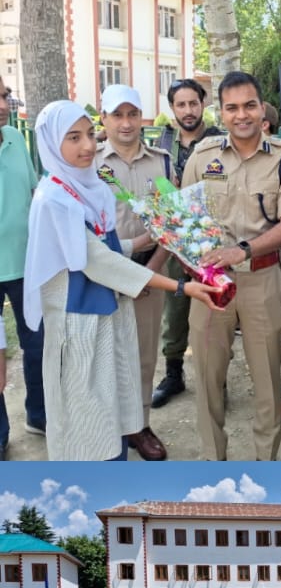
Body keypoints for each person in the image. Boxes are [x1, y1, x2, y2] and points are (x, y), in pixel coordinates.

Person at [26, 101, 222, 460]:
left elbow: (105, 245)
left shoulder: (92, 187)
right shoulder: (54, 198)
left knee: (115, 404)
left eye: (88, 135)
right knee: (88, 422)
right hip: (81, 324)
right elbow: (97, 262)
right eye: (73, 138)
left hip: (110, 315)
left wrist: (149, 239)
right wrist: (181, 286)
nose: (87, 146)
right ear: (53, 143)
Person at [179, 70, 281, 460]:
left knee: (267, 384)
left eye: (249, 105)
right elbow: (183, 217)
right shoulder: (203, 156)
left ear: (261, 107)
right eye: (231, 108)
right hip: (210, 285)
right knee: (208, 380)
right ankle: (212, 462)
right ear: (221, 110)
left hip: (262, 280)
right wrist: (190, 262)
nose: (241, 115)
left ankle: (265, 464)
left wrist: (242, 250)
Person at [94, 83, 173, 460]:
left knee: (143, 354)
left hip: (148, 272)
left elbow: (172, 223)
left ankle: (139, 425)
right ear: (104, 118)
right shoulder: (88, 162)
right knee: (103, 354)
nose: (125, 123)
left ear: (141, 118)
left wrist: (151, 272)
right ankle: (109, 426)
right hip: (99, 277)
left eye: (132, 114)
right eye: (117, 115)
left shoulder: (161, 162)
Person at [150, 77, 223, 407]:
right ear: (172, 108)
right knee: (175, 310)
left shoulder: (220, 141)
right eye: (181, 104)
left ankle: (217, 380)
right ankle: (174, 373)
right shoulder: (162, 143)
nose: (188, 110)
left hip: (212, 241)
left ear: (203, 103)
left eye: (193, 103)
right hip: (174, 242)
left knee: (217, 312)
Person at [0, 74, 40, 459]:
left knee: (36, 344)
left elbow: (32, 192)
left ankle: (39, 414)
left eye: (4, 95)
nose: (3, 104)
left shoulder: (14, 140)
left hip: (25, 265)